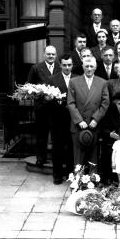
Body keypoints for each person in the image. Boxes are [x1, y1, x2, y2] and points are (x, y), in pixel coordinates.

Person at [67, 56, 110, 166]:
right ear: (83, 67)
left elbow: (105, 103)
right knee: (78, 155)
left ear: (95, 67)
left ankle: (92, 179)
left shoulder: (102, 82)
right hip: (78, 124)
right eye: (87, 66)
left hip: (93, 124)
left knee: (93, 155)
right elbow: (70, 103)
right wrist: (79, 121)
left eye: (91, 66)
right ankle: (77, 178)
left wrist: (96, 119)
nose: (89, 69)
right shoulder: (73, 82)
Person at [27, 45, 61, 167]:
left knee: (57, 133)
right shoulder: (36, 68)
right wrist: (39, 93)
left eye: (53, 54)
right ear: (44, 55)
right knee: (42, 134)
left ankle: (57, 158)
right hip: (42, 107)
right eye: (48, 54)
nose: (51, 56)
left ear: (56, 55)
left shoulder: (60, 67)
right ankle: (40, 158)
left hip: (56, 107)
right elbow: (29, 86)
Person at [47, 53, 75, 184]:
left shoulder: (77, 78)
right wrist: (53, 101)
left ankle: (71, 174)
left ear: (72, 65)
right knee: (57, 148)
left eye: (69, 65)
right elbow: (47, 100)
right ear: (60, 65)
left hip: (72, 119)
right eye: (64, 65)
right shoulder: (52, 79)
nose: (67, 67)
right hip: (57, 119)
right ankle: (57, 175)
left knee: (71, 147)